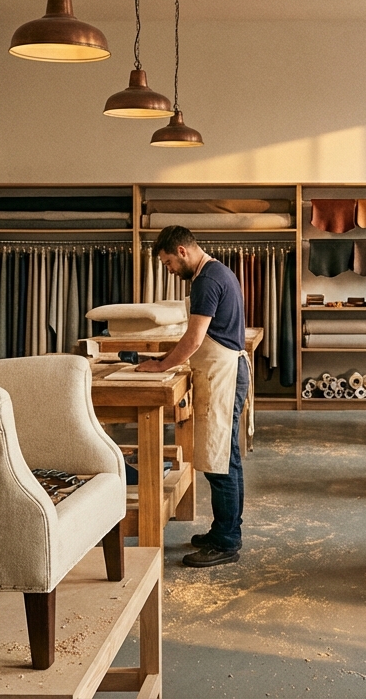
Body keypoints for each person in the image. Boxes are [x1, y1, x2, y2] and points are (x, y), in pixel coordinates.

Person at [137, 226, 249, 568]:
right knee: (224, 457)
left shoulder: (206, 281)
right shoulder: (215, 272)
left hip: (223, 376)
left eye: (169, 261)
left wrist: (162, 365)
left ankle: (227, 541)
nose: (168, 269)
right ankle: (223, 530)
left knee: (221, 461)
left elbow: (195, 338)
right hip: (224, 372)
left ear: (182, 251)